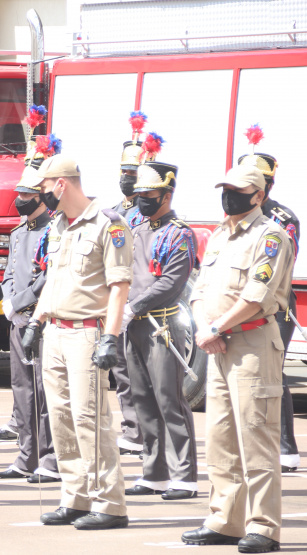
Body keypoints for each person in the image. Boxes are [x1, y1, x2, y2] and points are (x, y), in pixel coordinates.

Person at [182, 165, 293, 553]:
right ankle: (225, 519)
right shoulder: (219, 235)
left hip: (252, 345)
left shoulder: (271, 236)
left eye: (239, 190)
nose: (229, 196)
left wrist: (216, 328)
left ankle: (263, 526)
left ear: (259, 195)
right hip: (217, 344)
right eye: (226, 188)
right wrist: (203, 327)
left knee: (255, 435)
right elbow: (199, 291)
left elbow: (257, 295)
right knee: (221, 437)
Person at [22, 154, 132, 530]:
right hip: (55, 329)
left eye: (43, 187)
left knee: (90, 418)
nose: (40, 195)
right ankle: (76, 496)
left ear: (61, 184)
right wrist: (36, 322)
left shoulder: (109, 225)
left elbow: (119, 286)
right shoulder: (60, 226)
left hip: (87, 331)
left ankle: (109, 502)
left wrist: (111, 338)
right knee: (62, 419)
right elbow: (54, 279)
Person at [121, 160, 198, 500]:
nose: (143, 200)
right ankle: (154, 473)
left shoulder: (179, 233)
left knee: (170, 400)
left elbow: (171, 281)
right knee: (143, 401)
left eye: (149, 194)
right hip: (133, 326)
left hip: (162, 325)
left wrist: (135, 306)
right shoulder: (136, 231)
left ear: (166, 195)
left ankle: (184, 475)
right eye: (140, 194)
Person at [0, 138, 59, 484]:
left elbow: (47, 276)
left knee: (44, 391)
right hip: (17, 319)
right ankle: (26, 454)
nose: (20, 200)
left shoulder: (53, 230)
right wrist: (8, 302)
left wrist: (22, 304)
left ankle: (50, 459)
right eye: (19, 193)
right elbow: (9, 272)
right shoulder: (21, 231)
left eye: (26, 195)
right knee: (21, 390)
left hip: (42, 319)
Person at [238, 130, 301, 474]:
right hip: (238, 303)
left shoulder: (282, 220)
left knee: (272, 374)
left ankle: (285, 447)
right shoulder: (235, 216)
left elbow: (278, 266)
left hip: (275, 306)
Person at [109, 112, 150, 457]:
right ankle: (131, 428)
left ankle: (145, 431)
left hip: (142, 303)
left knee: (146, 375)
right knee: (121, 372)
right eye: (124, 173)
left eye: (133, 174)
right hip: (116, 302)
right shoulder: (112, 212)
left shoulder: (150, 215)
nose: (127, 180)